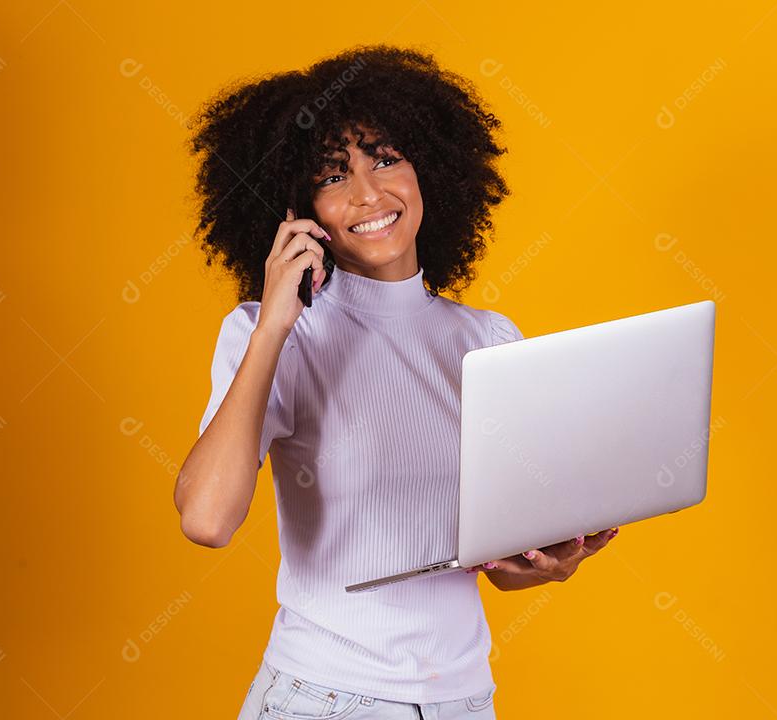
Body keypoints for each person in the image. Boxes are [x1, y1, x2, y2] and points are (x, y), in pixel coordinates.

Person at [173, 44, 620, 719]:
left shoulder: (490, 340)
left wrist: (552, 560)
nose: (368, 194)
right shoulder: (275, 334)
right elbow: (207, 520)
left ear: (429, 170)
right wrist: (273, 326)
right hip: (325, 698)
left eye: (385, 160)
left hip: (463, 700)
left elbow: (497, 565)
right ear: (297, 211)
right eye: (332, 177)